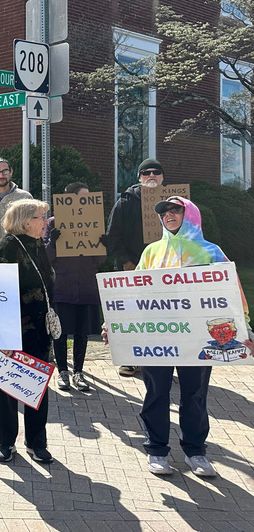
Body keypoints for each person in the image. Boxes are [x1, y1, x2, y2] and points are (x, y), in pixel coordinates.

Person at [113, 196, 253, 478]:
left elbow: (231, 290)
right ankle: (157, 450)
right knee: (156, 392)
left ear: (190, 214)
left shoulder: (211, 252)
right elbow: (134, 293)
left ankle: (195, 451)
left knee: (195, 394)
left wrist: (244, 326)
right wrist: (116, 324)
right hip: (158, 336)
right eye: (164, 212)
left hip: (198, 338)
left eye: (176, 210)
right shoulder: (151, 252)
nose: (169, 215)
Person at [0, 199, 55, 464]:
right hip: (13, 330)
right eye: (41, 217)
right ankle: (6, 443)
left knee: (37, 385)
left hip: (39, 329)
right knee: (8, 387)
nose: (46, 222)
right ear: (26, 221)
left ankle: (36, 442)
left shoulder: (38, 244)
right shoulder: (7, 247)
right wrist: (2, 333)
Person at [104, 157, 165, 376]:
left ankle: (164, 357)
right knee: (132, 315)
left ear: (162, 177)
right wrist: (126, 262)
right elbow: (113, 236)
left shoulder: (173, 201)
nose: (151, 176)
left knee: (163, 314)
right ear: (139, 177)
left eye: (155, 172)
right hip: (133, 268)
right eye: (146, 173)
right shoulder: (126, 202)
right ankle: (130, 359)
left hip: (165, 271)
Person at [44, 182, 103, 391]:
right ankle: (62, 372)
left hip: (86, 285)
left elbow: (100, 259)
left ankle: (78, 373)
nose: (86, 202)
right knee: (60, 332)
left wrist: (103, 243)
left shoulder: (95, 222)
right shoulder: (52, 223)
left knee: (82, 332)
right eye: (82, 198)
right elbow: (46, 258)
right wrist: (52, 242)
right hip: (63, 285)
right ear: (70, 199)